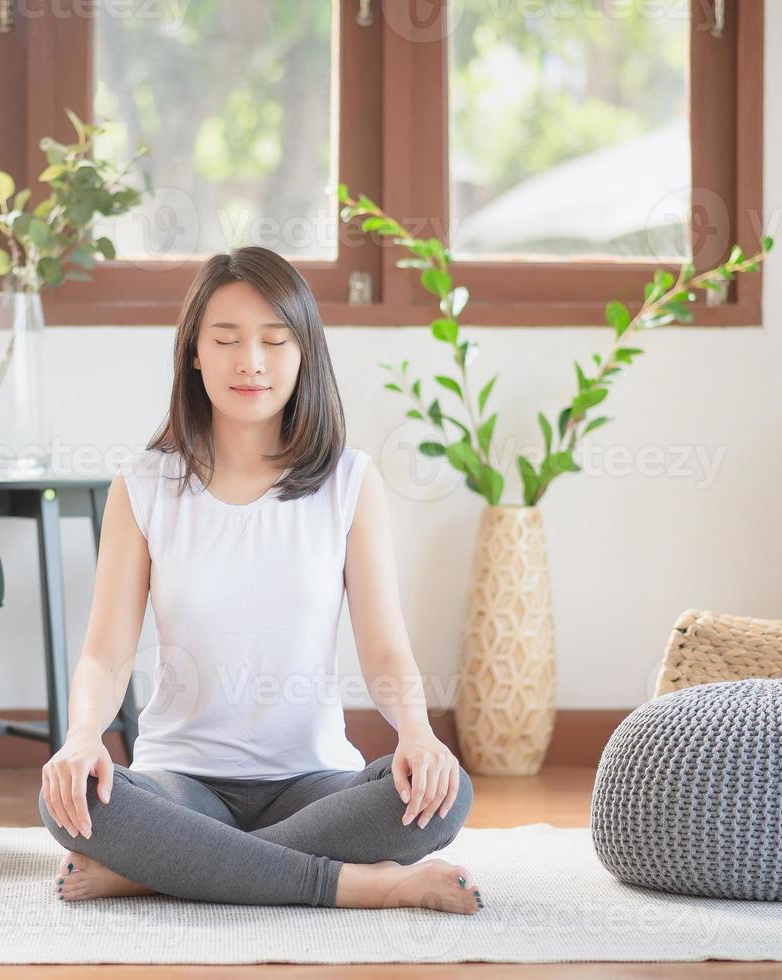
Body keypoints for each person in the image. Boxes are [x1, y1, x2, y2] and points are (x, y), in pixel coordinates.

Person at [38, 245, 480, 914]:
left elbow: (384, 647)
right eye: (226, 339)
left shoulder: (348, 483)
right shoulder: (143, 486)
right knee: (68, 802)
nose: (251, 361)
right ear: (194, 352)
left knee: (440, 797)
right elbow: (105, 653)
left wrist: (417, 734)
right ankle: (355, 885)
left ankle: (166, 868)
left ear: (303, 354)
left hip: (312, 780)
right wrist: (80, 740)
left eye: (275, 341)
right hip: (181, 782)